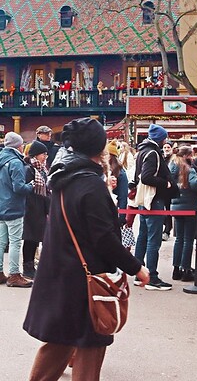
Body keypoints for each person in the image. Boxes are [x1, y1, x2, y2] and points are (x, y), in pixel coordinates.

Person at [23, 117, 149, 381]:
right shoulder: (89, 183)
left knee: (60, 341)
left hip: (60, 271)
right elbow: (104, 238)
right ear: (99, 149)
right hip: (83, 278)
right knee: (90, 344)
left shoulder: (63, 176)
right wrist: (136, 267)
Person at [132, 123, 178, 291]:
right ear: (160, 138)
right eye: (164, 137)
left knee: (143, 236)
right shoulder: (153, 153)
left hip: (144, 200)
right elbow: (146, 177)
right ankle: (152, 276)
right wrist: (165, 183)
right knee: (153, 239)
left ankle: (139, 273)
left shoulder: (142, 151)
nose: (166, 140)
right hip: (154, 200)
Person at [169, 146, 197, 281]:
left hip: (176, 206)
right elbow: (196, 184)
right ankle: (186, 269)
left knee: (179, 239)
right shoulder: (188, 169)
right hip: (190, 207)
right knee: (188, 240)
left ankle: (176, 269)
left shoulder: (172, 167)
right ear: (187, 155)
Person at [0, 132, 34, 287]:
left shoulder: (1, 159)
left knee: (1, 242)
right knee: (15, 242)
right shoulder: (15, 162)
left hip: (1, 205)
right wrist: (31, 186)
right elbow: (19, 187)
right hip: (13, 206)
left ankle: (0, 272)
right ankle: (14, 274)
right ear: (18, 145)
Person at [22, 140, 51, 279]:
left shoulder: (41, 169)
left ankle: (31, 266)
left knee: (35, 238)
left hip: (39, 208)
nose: (45, 156)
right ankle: (27, 267)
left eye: (46, 154)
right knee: (30, 238)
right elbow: (28, 190)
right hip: (31, 208)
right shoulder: (29, 169)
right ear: (35, 154)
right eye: (43, 154)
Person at [162, 141, 174, 241]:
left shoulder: (173, 159)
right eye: (165, 147)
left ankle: (167, 230)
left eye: (168, 147)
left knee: (168, 210)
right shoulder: (161, 158)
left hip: (170, 188)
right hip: (163, 187)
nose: (166, 149)